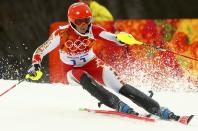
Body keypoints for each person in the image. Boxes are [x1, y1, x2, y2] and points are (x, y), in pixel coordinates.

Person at [27, 2, 193, 124]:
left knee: (122, 87)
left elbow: (111, 37)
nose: (84, 25)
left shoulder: (93, 29)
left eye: (87, 20)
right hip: (72, 70)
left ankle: (158, 109)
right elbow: (40, 50)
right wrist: (35, 64)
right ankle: (119, 105)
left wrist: (121, 38)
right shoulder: (61, 34)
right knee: (84, 77)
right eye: (79, 22)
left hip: (93, 63)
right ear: (71, 21)